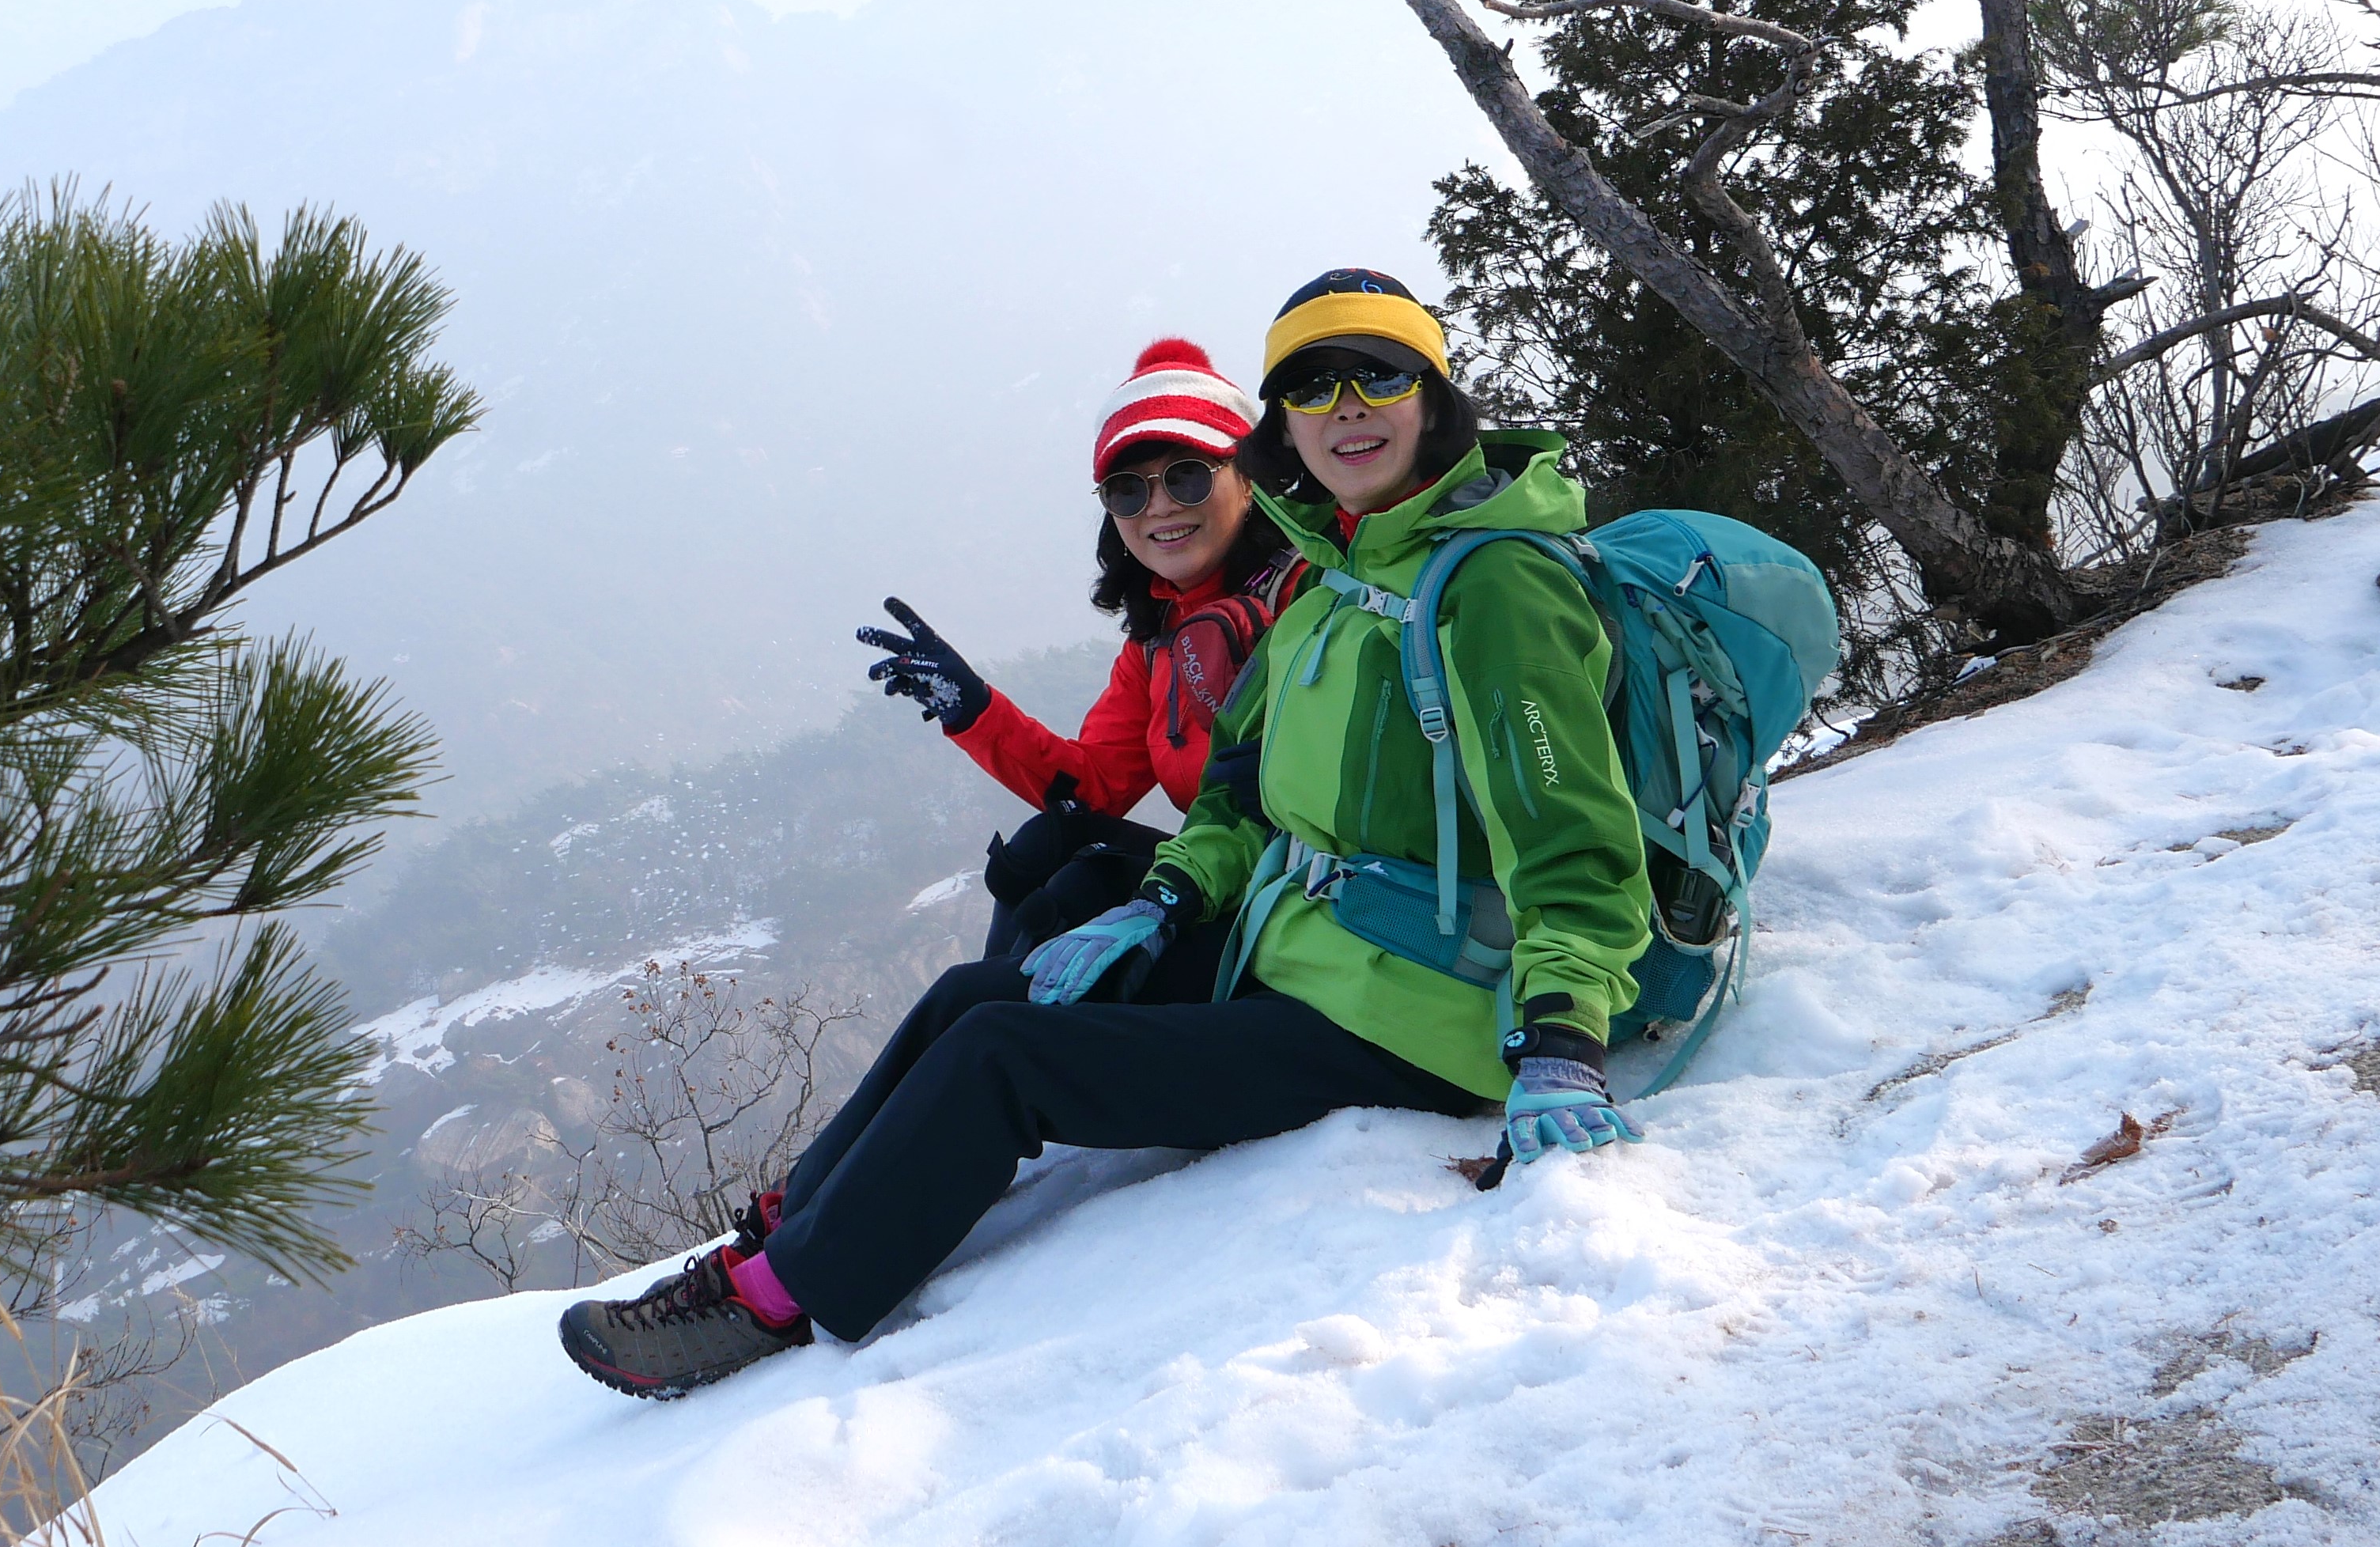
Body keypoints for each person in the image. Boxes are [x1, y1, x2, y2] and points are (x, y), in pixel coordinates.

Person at [558, 268, 1656, 1401]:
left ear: (1433, 393)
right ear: (1281, 424)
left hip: (1413, 1014)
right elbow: (1239, 800)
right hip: (1303, 949)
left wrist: (1563, 1040)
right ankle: (770, 1237)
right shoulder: (1344, 574)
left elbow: (1572, 836)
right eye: (1310, 387)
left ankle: (777, 1300)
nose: (1343, 410)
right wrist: (1166, 900)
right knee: (971, 998)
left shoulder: (1492, 584)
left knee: (1003, 1058)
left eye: (1375, 377)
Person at [853, 336, 1303, 970]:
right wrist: (974, 709)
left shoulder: (1311, 596)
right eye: (1128, 490)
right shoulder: (1158, 642)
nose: (1160, 506)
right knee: (1046, 848)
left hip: (1302, 891)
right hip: (1215, 878)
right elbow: (1093, 791)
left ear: (1249, 480)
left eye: (1188, 475)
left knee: (1038, 937)